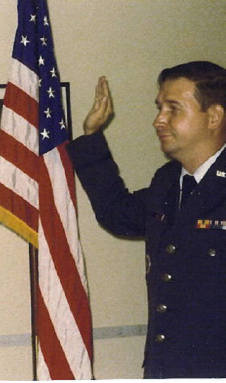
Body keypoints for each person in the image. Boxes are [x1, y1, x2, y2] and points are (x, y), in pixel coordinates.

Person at [66, 61, 226, 378]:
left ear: (214, 117)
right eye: (159, 108)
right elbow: (118, 214)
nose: (158, 120)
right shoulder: (168, 182)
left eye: (173, 109)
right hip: (165, 366)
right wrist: (92, 136)